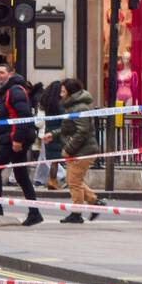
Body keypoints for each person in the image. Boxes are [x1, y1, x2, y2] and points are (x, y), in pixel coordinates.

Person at [0, 62, 42, 226]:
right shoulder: (7, 91)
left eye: (2, 72)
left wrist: (17, 140)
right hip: (11, 138)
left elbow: (23, 115)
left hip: (13, 140)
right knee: (21, 176)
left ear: (10, 74)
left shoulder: (14, 91)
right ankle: (34, 213)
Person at [57, 79, 104, 224]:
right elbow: (68, 129)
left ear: (70, 92)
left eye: (63, 91)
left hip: (83, 151)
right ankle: (95, 203)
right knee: (74, 180)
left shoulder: (79, 108)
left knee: (74, 182)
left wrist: (68, 149)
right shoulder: (73, 107)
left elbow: (82, 132)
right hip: (80, 150)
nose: (61, 94)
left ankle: (77, 213)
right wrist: (52, 134)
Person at [34, 81, 64, 191]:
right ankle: (54, 180)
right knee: (54, 160)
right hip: (55, 133)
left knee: (51, 159)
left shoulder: (45, 104)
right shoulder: (60, 105)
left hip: (47, 132)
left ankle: (43, 179)